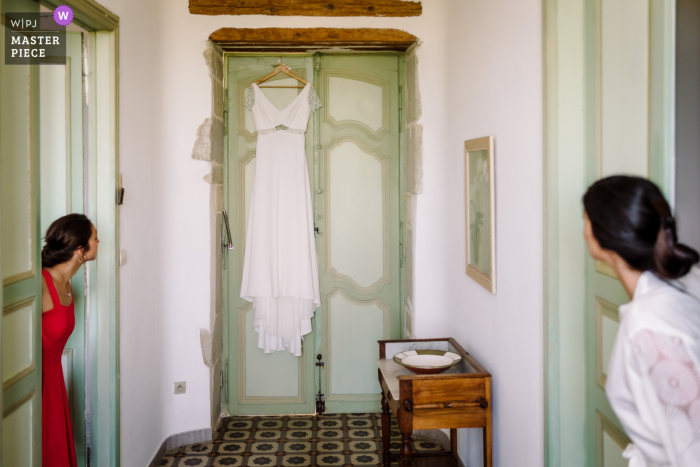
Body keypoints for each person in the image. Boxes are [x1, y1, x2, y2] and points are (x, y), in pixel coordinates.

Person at [583, 175, 700, 467]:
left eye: (585, 220)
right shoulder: (684, 284)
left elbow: (692, 449)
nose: (583, 231)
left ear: (605, 234)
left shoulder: (648, 325)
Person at [41, 214, 98, 467]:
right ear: (80, 250)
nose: (99, 241)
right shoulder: (41, 283)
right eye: (95, 238)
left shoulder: (67, 284)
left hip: (54, 379)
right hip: (38, 380)